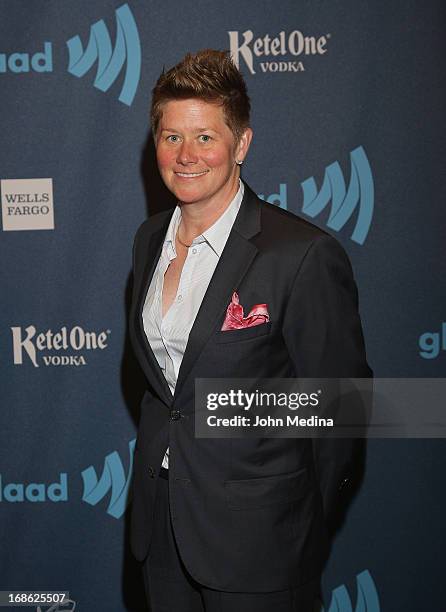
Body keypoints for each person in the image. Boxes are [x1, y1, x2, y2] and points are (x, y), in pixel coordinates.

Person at [129, 49, 372, 612]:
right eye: (171, 137)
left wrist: (296, 522)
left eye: (205, 137)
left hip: (261, 545)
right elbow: (168, 394)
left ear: (241, 145)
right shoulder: (147, 241)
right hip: (161, 528)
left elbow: (342, 406)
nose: (186, 156)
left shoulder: (301, 254)